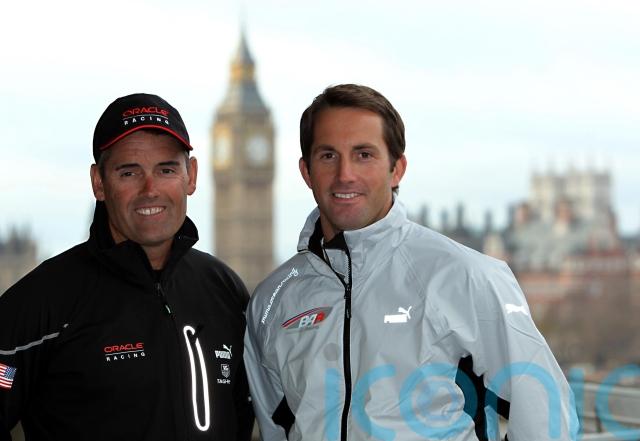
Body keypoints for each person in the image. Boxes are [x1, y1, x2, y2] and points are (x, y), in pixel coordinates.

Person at [244, 84, 578, 441]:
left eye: (364, 155)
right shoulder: (272, 301)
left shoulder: (465, 276)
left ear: (397, 169)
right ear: (306, 171)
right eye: (328, 156)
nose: (345, 174)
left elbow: (545, 414)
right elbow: (274, 428)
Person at [0, 93, 254, 441]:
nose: (150, 189)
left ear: (191, 176)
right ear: (99, 183)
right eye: (129, 172)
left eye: (166, 170)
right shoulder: (42, 301)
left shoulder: (224, 290)